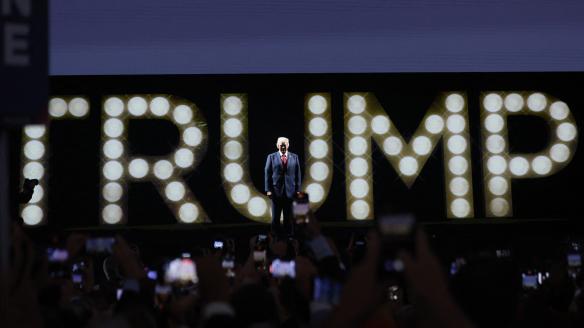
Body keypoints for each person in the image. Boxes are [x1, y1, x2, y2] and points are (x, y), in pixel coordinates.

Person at [264, 137, 301, 238]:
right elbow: (267, 173)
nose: (283, 146)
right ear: (277, 145)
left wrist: (298, 190)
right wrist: (268, 190)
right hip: (276, 192)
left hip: (290, 192)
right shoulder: (271, 157)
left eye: (285, 144)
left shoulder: (295, 157)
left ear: (288, 145)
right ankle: (275, 237)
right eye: (281, 144)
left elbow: (298, 174)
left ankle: (289, 237)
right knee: (275, 218)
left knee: (288, 217)